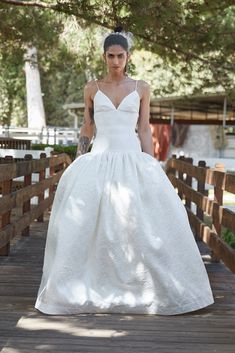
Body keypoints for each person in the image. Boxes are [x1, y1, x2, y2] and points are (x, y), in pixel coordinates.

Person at [35, 27, 214, 315]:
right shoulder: (92, 88)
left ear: (128, 56)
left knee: (139, 221)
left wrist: (152, 163)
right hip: (100, 158)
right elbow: (88, 126)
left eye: (120, 56)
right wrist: (79, 159)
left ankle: (143, 285)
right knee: (88, 224)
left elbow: (144, 128)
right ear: (104, 56)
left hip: (131, 157)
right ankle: (86, 284)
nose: (115, 61)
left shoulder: (141, 88)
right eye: (110, 56)